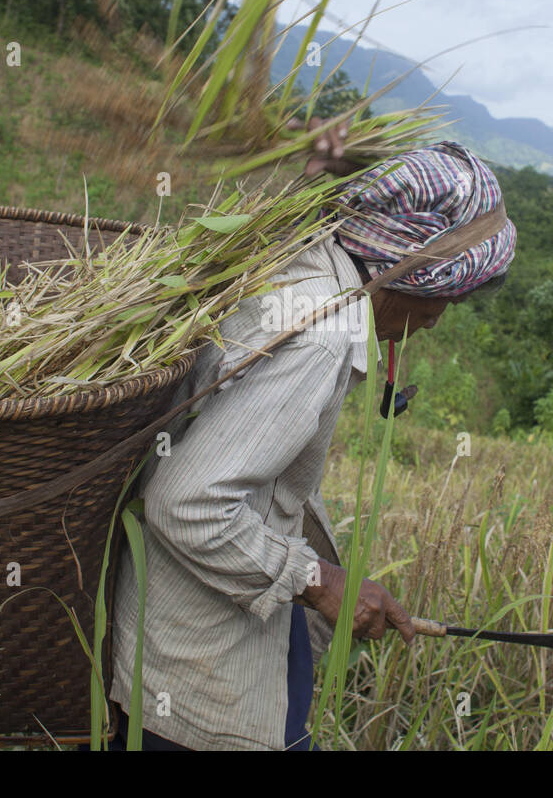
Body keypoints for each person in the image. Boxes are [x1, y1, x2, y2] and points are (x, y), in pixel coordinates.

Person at [107, 131, 516, 750]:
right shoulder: (318, 336)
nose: (435, 318)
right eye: (442, 297)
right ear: (401, 269)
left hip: (206, 621)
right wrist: (320, 583)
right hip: (199, 663)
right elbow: (186, 502)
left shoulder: (307, 260)